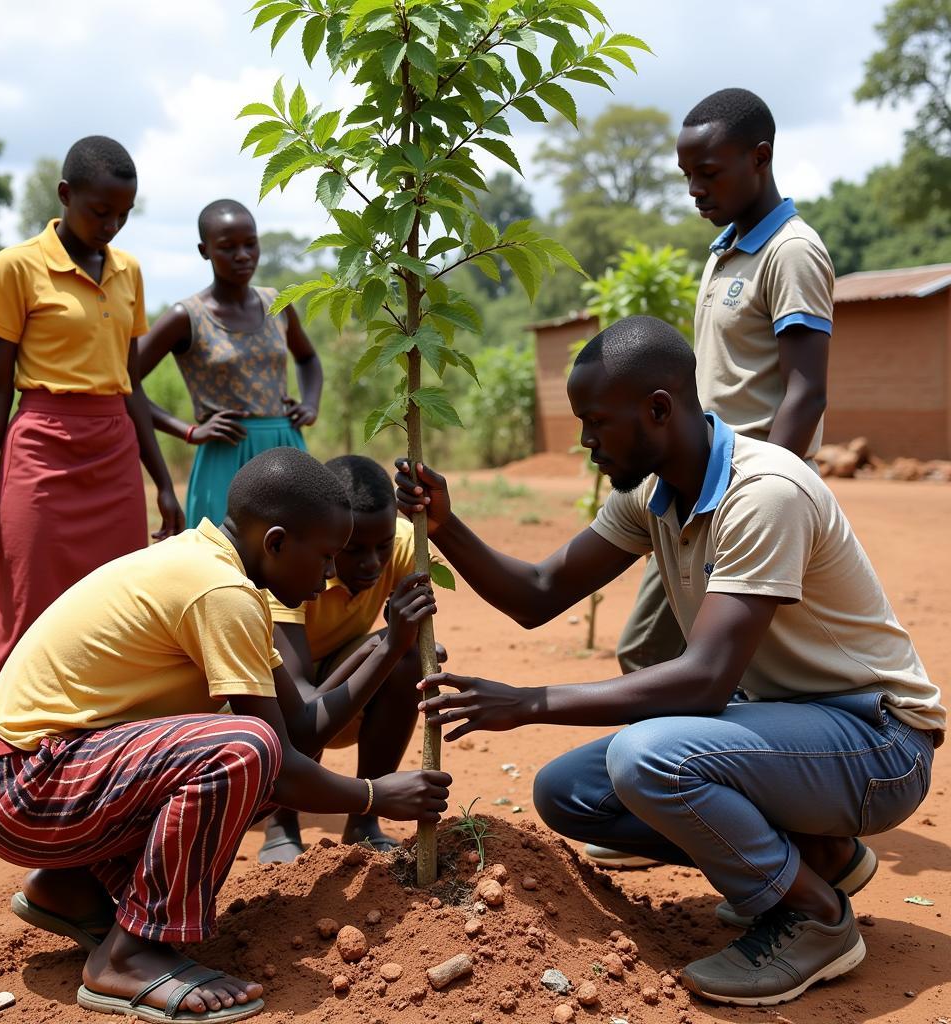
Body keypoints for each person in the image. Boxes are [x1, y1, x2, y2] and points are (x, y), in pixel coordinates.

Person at [397, 317, 944, 1007]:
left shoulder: (764, 493)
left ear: (659, 409)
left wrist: (528, 702)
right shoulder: (653, 496)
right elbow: (538, 594)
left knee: (650, 759)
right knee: (568, 793)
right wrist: (446, 526)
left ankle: (813, 916)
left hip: (878, 743)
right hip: (789, 731)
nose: (587, 442)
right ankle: (819, 858)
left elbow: (706, 678)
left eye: (596, 422)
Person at [0, 446, 449, 1023]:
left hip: (46, 776)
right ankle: (129, 956)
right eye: (324, 557)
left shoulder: (218, 569)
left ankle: (68, 889)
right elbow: (281, 757)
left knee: (260, 753)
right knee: (245, 748)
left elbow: (300, 727)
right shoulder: (221, 593)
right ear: (275, 542)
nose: (328, 576)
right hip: (25, 786)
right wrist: (374, 795)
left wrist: (392, 644)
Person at [597, 87, 836, 872]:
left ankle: (731, 814)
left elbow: (804, 389)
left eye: (709, 171)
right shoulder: (727, 246)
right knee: (650, 651)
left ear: (759, 157)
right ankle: (689, 800)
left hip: (742, 495)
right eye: (687, 175)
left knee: (694, 661)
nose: (696, 189)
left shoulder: (790, 251)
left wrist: (773, 496)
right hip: (691, 485)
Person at [0, 136, 184, 844]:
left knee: (114, 619)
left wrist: (162, 485)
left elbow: (133, 386)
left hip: (114, 452)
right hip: (43, 449)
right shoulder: (17, 267)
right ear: (63, 197)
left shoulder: (129, 272)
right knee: (20, 617)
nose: (110, 225)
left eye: (122, 213)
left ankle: (102, 782)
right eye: (98, 211)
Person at [260, 455, 443, 861]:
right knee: (392, 647)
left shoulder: (403, 547)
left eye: (382, 547)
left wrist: (395, 646)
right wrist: (376, 646)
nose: (373, 563)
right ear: (328, 535)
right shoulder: (293, 568)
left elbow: (405, 641)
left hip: (336, 692)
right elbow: (300, 704)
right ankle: (281, 824)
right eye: (354, 549)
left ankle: (363, 825)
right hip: (274, 702)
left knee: (409, 653)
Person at [138, 198, 322, 528]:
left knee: (297, 555)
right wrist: (190, 431)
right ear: (204, 250)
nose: (242, 255)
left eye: (250, 244)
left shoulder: (276, 304)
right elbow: (124, 382)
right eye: (227, 247)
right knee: (223, 559)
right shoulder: (187, 316)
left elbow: (308, 358)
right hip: (225, 452)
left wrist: (310, 404)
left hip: (285, 447)